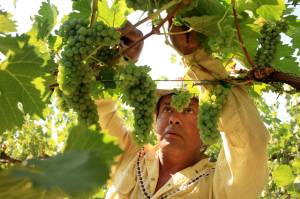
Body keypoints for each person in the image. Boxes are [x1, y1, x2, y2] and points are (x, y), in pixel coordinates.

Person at [96, 21, 270, 199]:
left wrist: (197, 58)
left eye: (188, 110)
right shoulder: (129, 155)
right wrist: (119, 58)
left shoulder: (220, 185)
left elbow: (250, 143)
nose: (174, 118)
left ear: (208, 125)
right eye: (167, 109)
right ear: (155, 120)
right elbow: (98, 108)